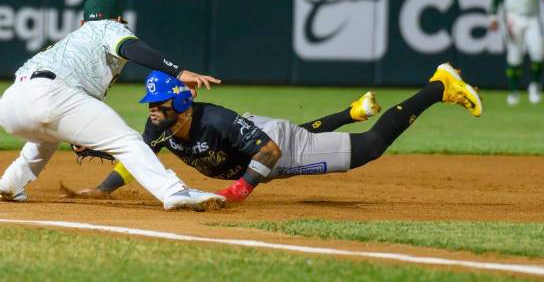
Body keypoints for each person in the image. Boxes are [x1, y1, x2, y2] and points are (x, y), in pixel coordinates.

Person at [65, 64, 482, 204]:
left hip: (274, 149)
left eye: (159, 105)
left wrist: (238, 192)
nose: (153, 112)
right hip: (257, 139)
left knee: (369, 148)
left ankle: (439, 86)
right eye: (151, 106)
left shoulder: (215, 121)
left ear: (181, 105)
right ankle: (350, 112)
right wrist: (103, 185)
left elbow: (267, 150)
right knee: (289, 137)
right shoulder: (161, 126)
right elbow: (138, 155)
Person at [0, 0, 227, 211]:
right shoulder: (108, 27)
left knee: (47, 136)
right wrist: (177, 72)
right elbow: (131, 48)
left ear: (82, 22)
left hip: (10, 105)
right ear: (118, 20)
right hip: (51, 95)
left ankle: (10, 183)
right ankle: (175, 191)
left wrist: (78, 134)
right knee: (127, 140)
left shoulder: (71, 40)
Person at [488, 0, 544, 105]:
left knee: (538, 52)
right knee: (514, 55)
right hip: (513, 17)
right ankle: (513, 92)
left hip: (533, 17)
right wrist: (492, 17)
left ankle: (534, 85)